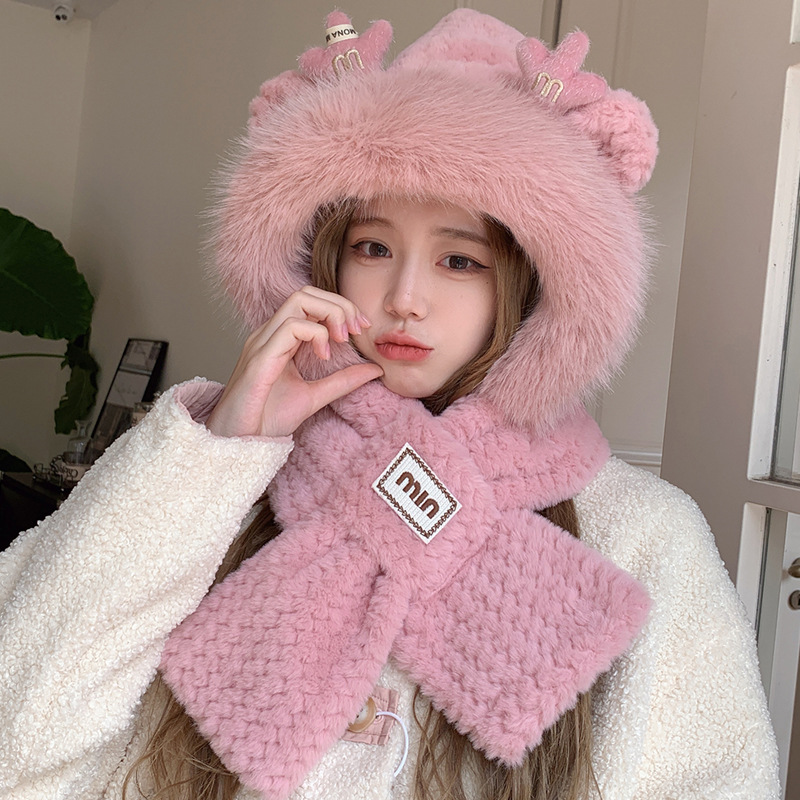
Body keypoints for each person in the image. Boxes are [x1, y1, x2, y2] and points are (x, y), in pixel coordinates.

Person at [0, 9, 780, 800]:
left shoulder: (642, 536)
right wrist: (212, 461)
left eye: (460, 260)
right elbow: (18, 741)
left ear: (535, 286)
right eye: (373, 247)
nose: (405, 297)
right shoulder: (217, 482)